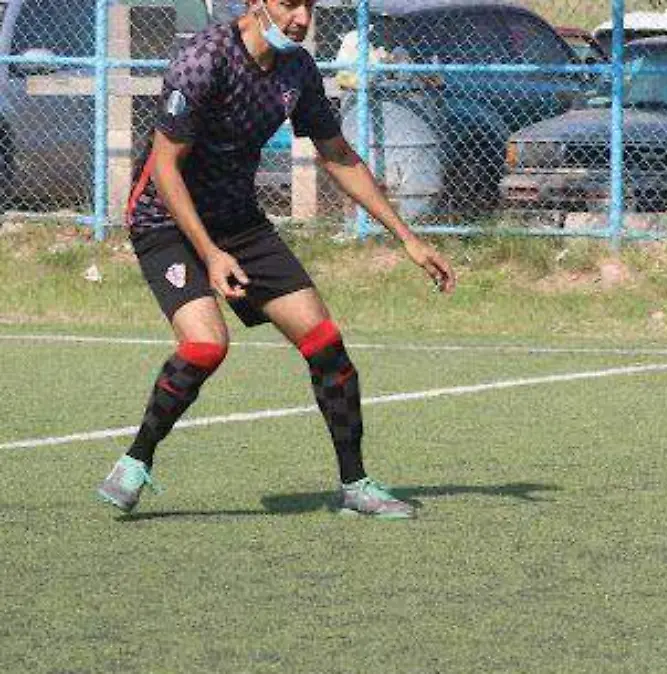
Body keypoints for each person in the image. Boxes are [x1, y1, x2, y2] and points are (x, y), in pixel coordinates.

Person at [96, 0, 456, 520]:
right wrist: (210, 254)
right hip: (166, 219)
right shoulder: (203, 60)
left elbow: (337, 153)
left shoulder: (297, 69)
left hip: (238, 221)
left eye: (309, 5)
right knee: (204, 345)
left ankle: (356, 486)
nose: (302, 18)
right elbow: (167, 170)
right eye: (290, 3)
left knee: (326, 343)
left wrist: (406, 237)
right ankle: (135, 462)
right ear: (254, 3)